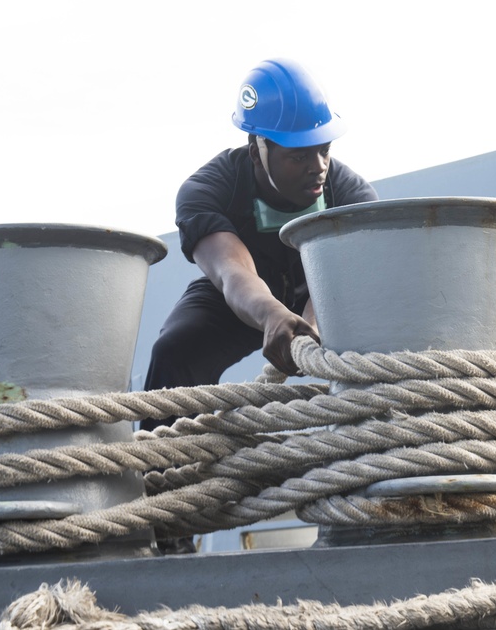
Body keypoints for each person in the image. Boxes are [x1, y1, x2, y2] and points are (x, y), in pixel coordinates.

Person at [142, 58, 377, 427]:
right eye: (298, 155)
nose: (318, 166)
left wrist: (311, 325)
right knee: (174, 351)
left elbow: (339, 279)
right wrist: (271, 314)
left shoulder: (352, 195)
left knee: (381, 347)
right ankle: (162, 474)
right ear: (257, 151)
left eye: (324, 149)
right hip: (240, 296)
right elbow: (231, 271)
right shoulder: (208, 189)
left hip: (327, 293)